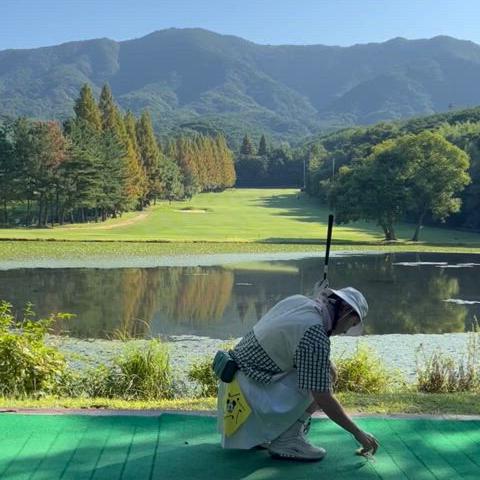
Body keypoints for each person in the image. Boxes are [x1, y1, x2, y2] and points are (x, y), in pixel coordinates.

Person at [217, 286, 379, 461]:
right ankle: (288, 440)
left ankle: (265, 432)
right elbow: (323, 397)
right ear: (345, 312)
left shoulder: (299, 302)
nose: (347, 330)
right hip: (250, 396)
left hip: (234, 391)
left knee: (326, 372)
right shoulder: (314, 335)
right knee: (319, 383)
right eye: (352, 323)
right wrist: (358, 432)